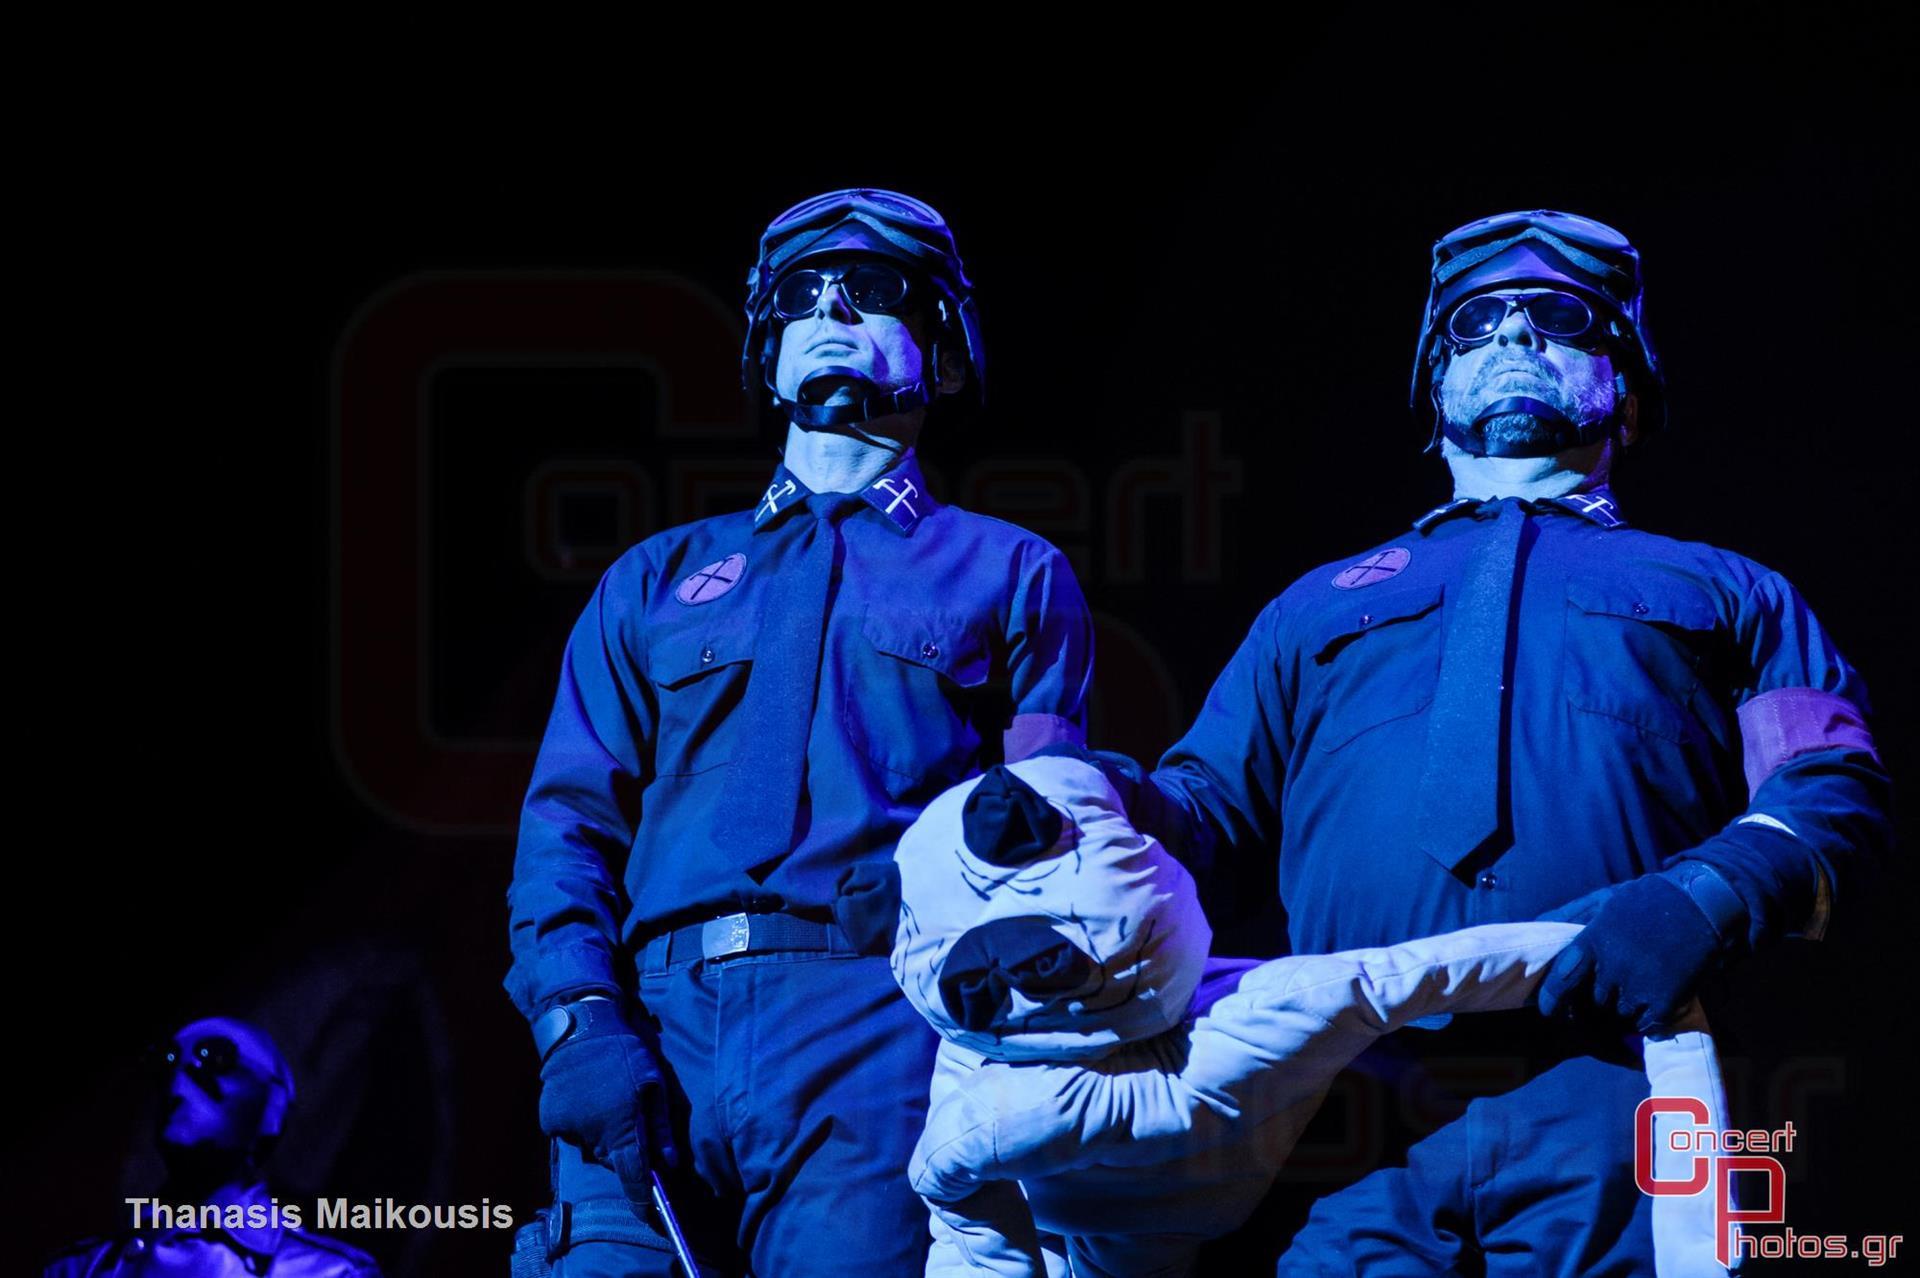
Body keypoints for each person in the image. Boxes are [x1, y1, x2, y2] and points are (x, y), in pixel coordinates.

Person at [914, 210, 1891, 1274]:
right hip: (1347, 1097)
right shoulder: (1315, 607)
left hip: (1613, 1070)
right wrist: (1100, 804)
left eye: (1561, 318)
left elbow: (1827, 783)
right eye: (1478, 321)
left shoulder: (1729, 590)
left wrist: (1701, 898)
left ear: (1628, 375)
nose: (1517, 337)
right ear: (1435, 381)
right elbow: (1210, 807)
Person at [504, 188, 1095, 1276]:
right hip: (648, 1026)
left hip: (874, 1027)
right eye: (797, 296)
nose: (829, 310)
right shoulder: (655, 580)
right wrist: (577, 1019)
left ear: (946, 354)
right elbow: (566, 830)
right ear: (765, 356)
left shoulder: (1013, 574)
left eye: (872, 293)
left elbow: (1046, 850)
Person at [891, 755, 1735, 1278]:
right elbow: (1422, 974)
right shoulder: (993, 1075)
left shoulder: (1250, 1016)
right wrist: (1623, 940)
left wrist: (1638, 937)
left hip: (1140, 1225)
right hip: (1099, 1207)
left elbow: (1420, 974)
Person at [44, 1017, 381, 1277]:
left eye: (215, 1059)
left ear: (272, 1107)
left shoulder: (329, 1272)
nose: (177, 1084)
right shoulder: (78, 1269)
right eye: (167, 1063)